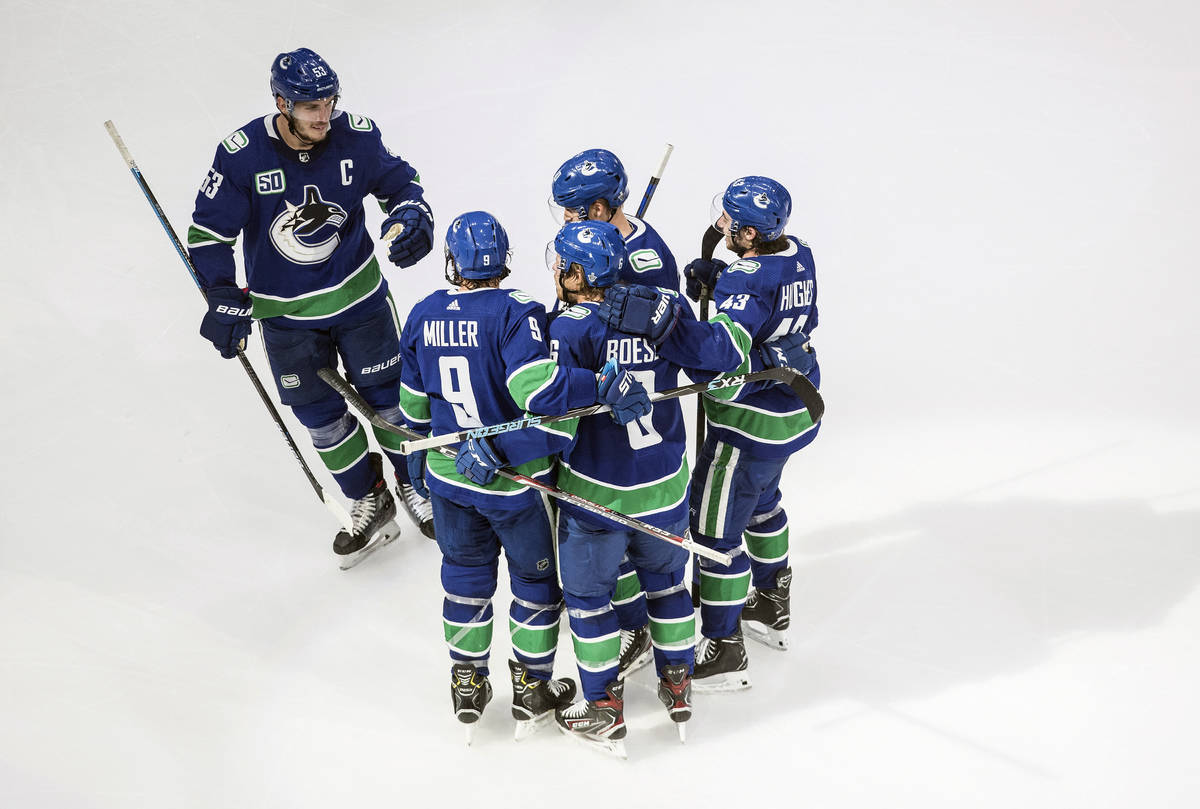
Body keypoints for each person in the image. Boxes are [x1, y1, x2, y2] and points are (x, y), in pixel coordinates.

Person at [396, 211, 652, 741]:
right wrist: (599, 382)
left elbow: (413, 409)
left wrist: (420, 464)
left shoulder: (422, 312)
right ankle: (532, 687)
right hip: (518, 485)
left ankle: (467, 679)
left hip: (449, 479)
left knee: (464, 578)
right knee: (535, 584)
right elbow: (540, 393)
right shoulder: (519, 312)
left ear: (451, 262)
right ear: (504, 260)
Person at [188, 47, 436, 556]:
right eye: (309, 107)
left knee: (390, 401)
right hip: (287, 318)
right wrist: (220, 294)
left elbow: (399, 183)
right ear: (282, 103)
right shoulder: (242, 155)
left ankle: (413, 483)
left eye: (328, 102)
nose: (323, 115)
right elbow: (209, 234)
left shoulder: (357, 136)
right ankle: (370, 496)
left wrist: (414, 213)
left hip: (359, 301)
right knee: (319, 416)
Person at [596, 176, 820, 690]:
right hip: (795, 411)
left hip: (748, 425)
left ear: (747, 232)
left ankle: (725, 646)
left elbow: (721, 352)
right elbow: (779, 309)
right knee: (764, 503)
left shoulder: (749, 280)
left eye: (729, 221)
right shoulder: (799, 252)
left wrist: (665, 323)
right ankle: (771, 601)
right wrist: (720, 281)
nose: (720, 224)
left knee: (715, 533)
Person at [545, 221, 697, 754]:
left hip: (598, 493)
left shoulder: (567, 331)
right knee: (668, 587)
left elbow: (556, 416)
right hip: (664, 486)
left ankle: (603, 706)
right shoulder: (665, 310)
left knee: (588, 599)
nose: (558, 271)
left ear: (581, 272)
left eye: (564, 263)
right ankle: (679, 685)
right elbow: (706, 354)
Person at [548, 147, 681, 676]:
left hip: (626, 423)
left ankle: (632, 625)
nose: (565, 221)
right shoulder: (588, 246)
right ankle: (628, 615)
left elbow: (652, 344)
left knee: (618, 527)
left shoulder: (649, 263)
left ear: (602, 209)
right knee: (613, 538)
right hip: (600, 412)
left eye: (575, 211)